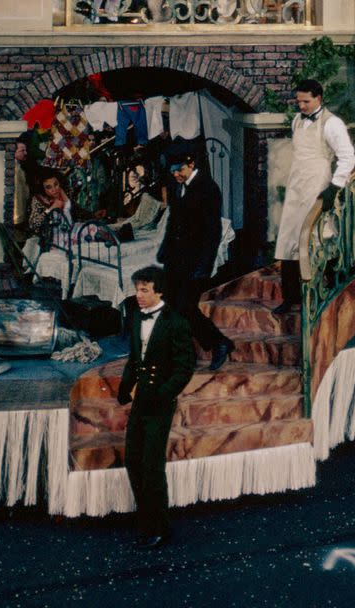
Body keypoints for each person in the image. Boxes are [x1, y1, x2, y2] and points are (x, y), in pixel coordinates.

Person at [117, 265, 196, 548]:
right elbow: (135, 358)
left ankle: (159, 527)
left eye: (144, 290)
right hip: (141, 400)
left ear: (158, 291)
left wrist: (163, 393)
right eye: (137, 289)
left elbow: (185, 367)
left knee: (151, 465)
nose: (138, 294)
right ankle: (145, 519)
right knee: (133, 461)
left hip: (160, 402)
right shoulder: (137, 317)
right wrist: (124, 390)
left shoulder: (176, 322)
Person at [273, 78, 355, 316]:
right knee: (289, 238)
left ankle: (325, 292)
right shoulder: (298, 121)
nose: (301, 106)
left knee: (317, 236)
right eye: (298, 101)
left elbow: (348, 157)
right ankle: (291, 297)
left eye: (306, 102)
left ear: (319, 98)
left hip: (317, 184)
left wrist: (334, 186)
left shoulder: (332, 124)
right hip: (296, 184)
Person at [155, 147, 234, 371]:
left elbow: (213, 231)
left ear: (190, 163)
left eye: (179, 170)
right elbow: (173, 219)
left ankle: (219, 343)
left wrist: (205, 265)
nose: (176, 175)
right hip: (175, 258)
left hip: (195, 261)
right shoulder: (176, 186)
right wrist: (164, 249)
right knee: (169, 305)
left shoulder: (208, 188)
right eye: (172, 171)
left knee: (186, 307)